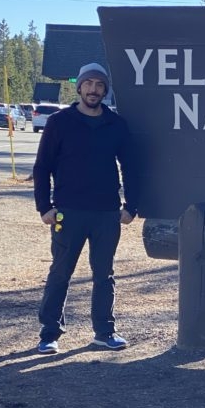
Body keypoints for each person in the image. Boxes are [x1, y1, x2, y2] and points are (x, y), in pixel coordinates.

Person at [33, 63, 139, 355]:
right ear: (78, 87)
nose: (94, 90)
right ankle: (49, 333)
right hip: (68, 212)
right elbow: (42, 167)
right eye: (88, 84)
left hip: (106, 213)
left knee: (104, 274)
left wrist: (132, 206)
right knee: (60, 272)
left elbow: (131, 167)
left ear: (105, 90)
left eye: (100, 85)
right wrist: (44, 206)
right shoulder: (59, 122)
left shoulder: (116, 125)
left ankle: (105, 332)